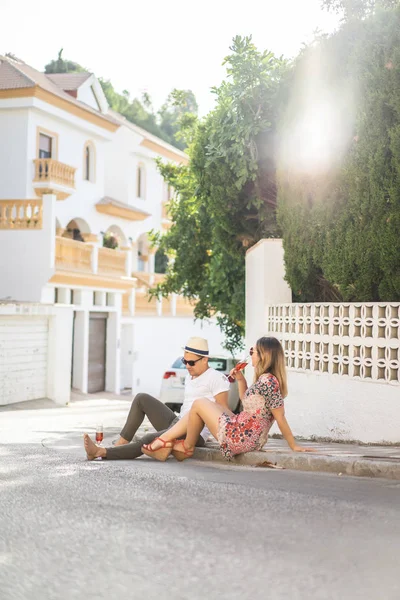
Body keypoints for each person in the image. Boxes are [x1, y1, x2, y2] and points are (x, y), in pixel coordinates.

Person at [142, 336, 315, 462]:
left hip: (242, 436)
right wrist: (240, 379)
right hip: (244, 431)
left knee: (200, 403)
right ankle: (179, 445)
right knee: (202, 405)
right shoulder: (264, 380)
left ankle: (173, 443)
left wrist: (293, 445)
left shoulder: (268, 382)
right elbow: (247, 403)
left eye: (252, 352)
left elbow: (280, 417)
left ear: (264, 355)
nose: (250, 355)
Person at [83, 337, 230, 461]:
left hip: (193, 432)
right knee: (141, 398)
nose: (187, 366)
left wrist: (225, 435)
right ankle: (122, 443)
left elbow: (222, 410)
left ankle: (101, 452)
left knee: (149, 438)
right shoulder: (190, 376)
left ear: (205, 360)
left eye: (191, 363)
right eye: (185, 361)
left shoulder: (216, 378)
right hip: (178, 422)